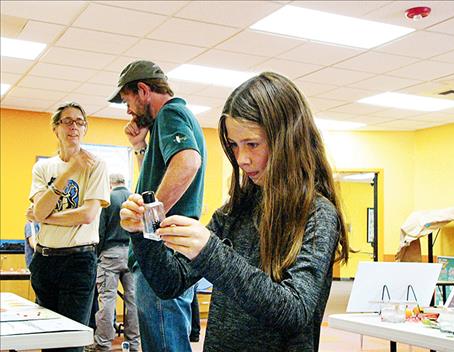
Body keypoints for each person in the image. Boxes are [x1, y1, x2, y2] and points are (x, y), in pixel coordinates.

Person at [120, 72, 350, 351]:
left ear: (287, 139)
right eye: (234, 146)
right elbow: (169, 283)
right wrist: (141, 232)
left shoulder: (318, 214)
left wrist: (212, 253)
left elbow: (294, 312)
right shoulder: (235, 211)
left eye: (252, 144)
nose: (242, 159)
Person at [108, 60, 206, 352]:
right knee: (167, 340)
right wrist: (141, 147)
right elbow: (153, 180)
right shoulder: (171, 121)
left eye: (128, 101)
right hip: (171, 249)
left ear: (143, 90)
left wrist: (148, 222)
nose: (128, 111)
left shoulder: (170, 113)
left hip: (162, 251)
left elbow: (188, 161)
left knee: (164, 344)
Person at [27, 101, 110, 352]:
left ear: (85, 129)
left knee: (70, 341)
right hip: (44, 260)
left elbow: (88, 214)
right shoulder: (43, 167)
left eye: (79, 121)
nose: (74, 126)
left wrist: (46, 216)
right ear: (56, 128)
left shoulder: (97, 165)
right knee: (48, 338)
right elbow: (39, 211)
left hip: (78, 261)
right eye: (67, 121)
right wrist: (70, 170)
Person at [93, 173, 139, 352]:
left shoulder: (107, 199)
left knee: (107, 299)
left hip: (110, 255)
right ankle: (133, 344)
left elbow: (101, 230)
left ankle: (103, 343)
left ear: (110, 184)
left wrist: (98, 254)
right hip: (131, 253)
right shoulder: (134, 197)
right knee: (133, 300)